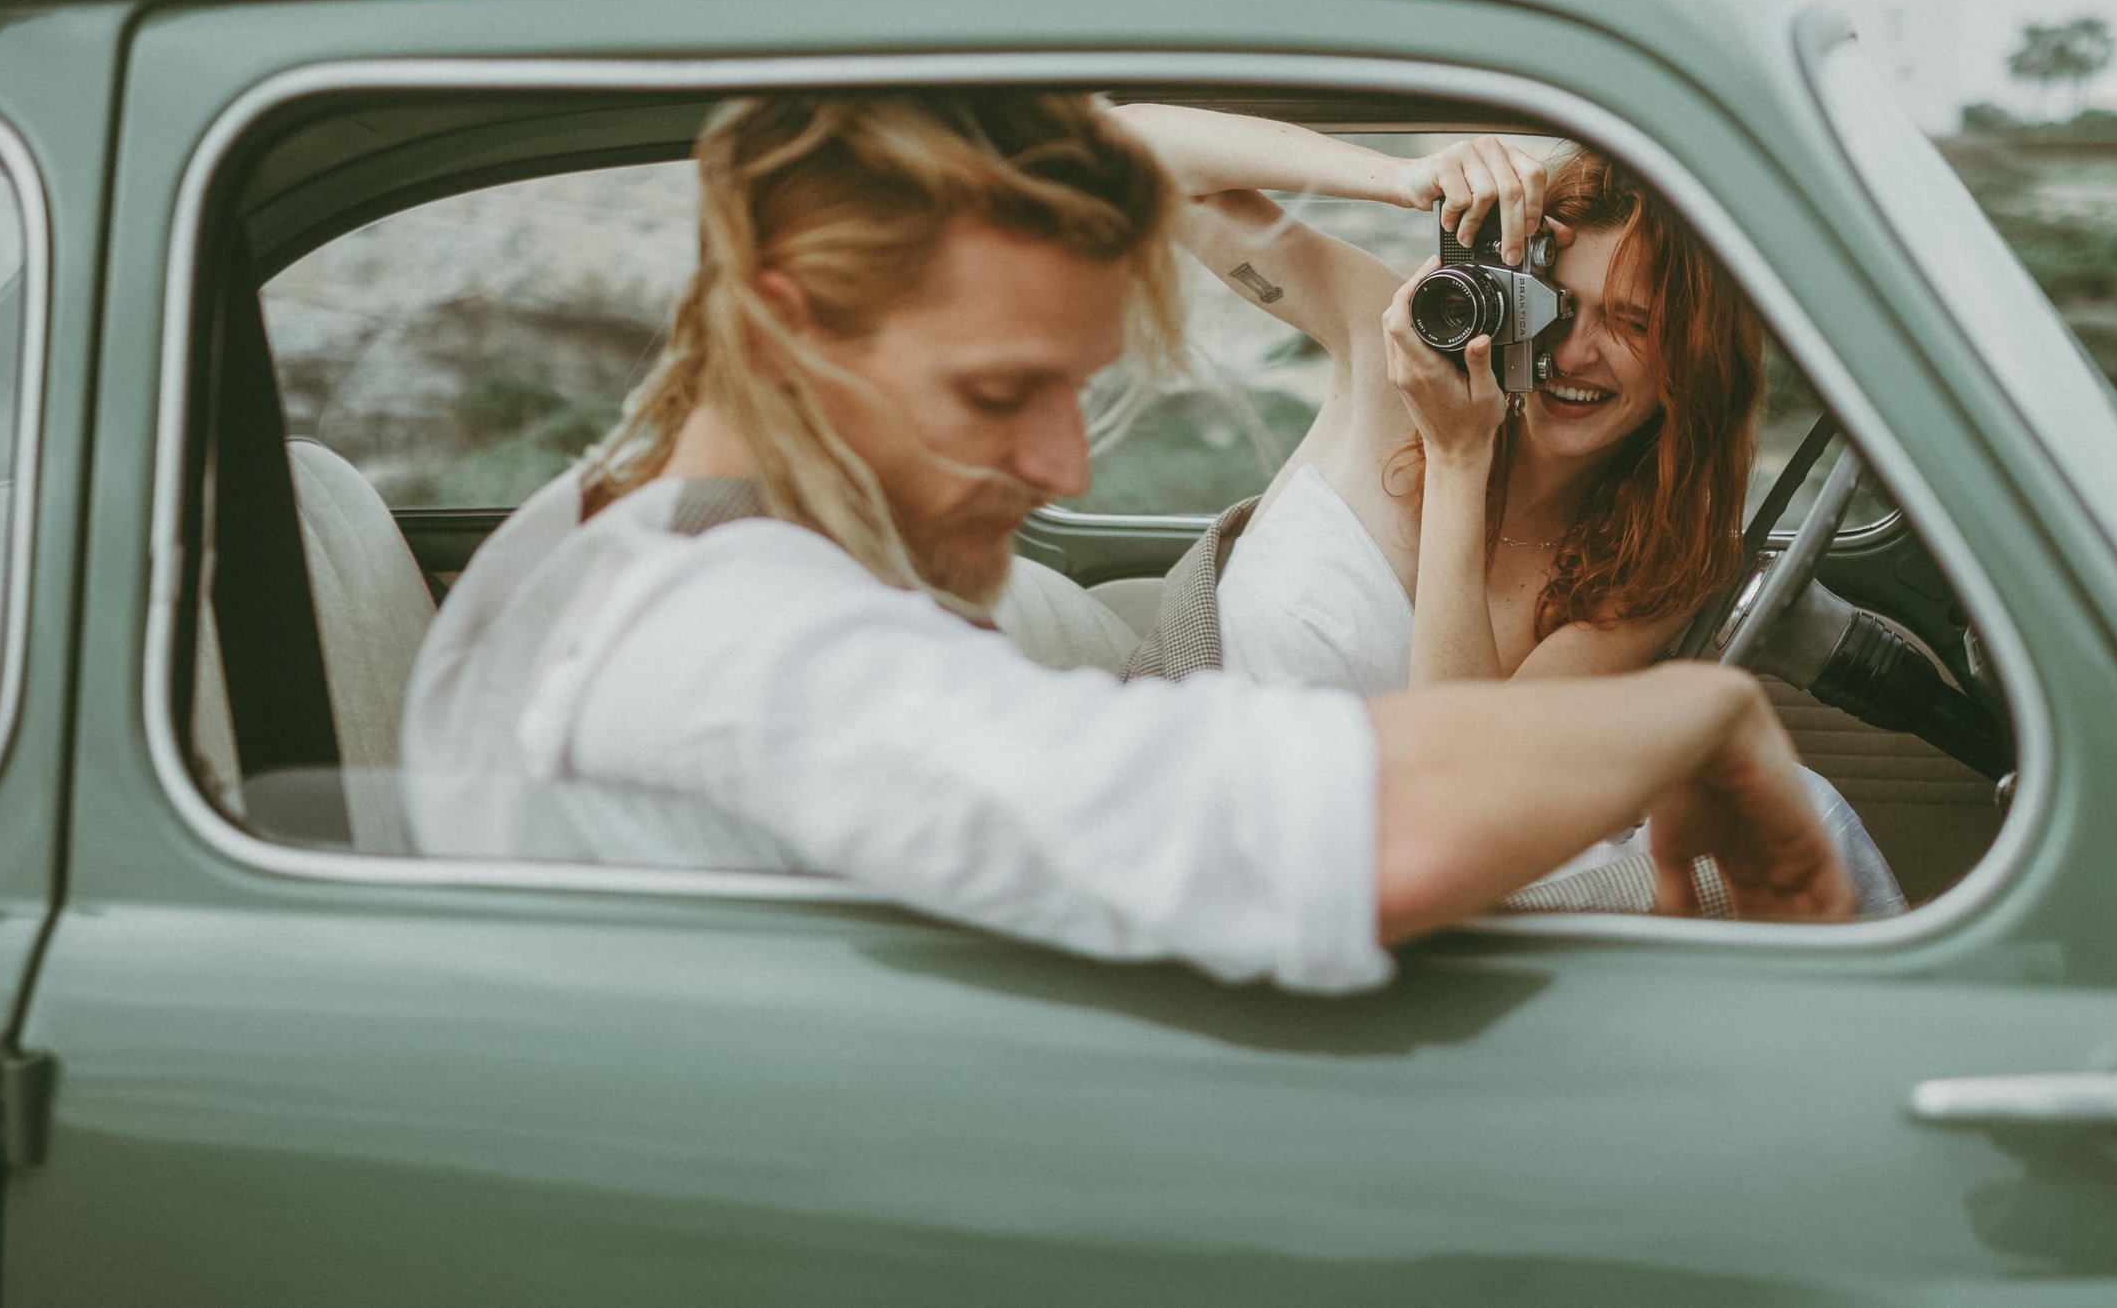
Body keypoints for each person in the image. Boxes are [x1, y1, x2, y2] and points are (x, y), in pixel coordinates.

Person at [401, 90, 1854, 994]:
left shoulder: (686, 550)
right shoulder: (743, 646)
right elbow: (1346, 828)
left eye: (1073, 387)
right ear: (785, 319)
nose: (1067, 464)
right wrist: (1715, 714)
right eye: (996, 393)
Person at [1110, 105, 1903, 915]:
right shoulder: (1391, 350)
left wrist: (1461, 458)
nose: (1570, 351)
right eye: (1554, 301)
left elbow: (1458, 793)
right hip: (1187, 822)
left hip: (1368, 888)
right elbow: (1128, 149)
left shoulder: (1658, 564)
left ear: (1692, 364)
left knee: (1807, 814)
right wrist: (1404, 180)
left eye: (1630, 323)